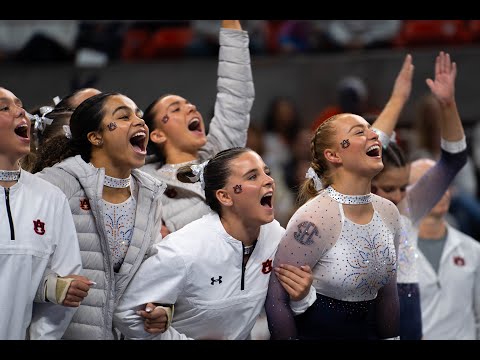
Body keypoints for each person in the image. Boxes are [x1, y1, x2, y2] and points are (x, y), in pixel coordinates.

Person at [113, 147, 317, 340]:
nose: (269, 181)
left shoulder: (275, 236)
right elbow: (125, 313)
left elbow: (286, 306)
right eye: (253, 176)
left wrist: (302, 296)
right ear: (225, 196)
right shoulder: (184, 250)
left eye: (267, 172)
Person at [32, 92, 169, 339]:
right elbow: (14, 256)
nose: (140, 121)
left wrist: (161, 307)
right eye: (124, 117)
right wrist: (48, 287)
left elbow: (150, 271)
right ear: (96, 137)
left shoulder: (150, 194)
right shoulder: (55, 184)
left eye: (138, 114)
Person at [265, 111, 403, 340]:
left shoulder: (389, 212)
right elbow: (275, 299)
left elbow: (389, 294)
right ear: (333, 155)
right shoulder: (313, 218)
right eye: (360, 132)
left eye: (372, 130)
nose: (374, 136)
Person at [371, 51, 468, 340]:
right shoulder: (333, 208)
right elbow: (363, 154)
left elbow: (453, 160)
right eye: (389, 188)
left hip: (407, 317)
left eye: (403, 187)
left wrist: (448, 105)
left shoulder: (406, 211)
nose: (399, 196)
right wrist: (398, 100)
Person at [141, 20, 254, 236]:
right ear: (156, 134)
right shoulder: (143, 183)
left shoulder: (219, 153)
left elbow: (235, 93)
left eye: (189, 104)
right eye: (175, 109)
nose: (191, 108)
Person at [0, 87, 91, 339]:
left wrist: (52, 288)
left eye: (20, 105)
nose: (21, 112)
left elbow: (63, 282)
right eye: (4, 108)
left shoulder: (50, 197)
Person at [409, 158, 480, 340]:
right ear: (407, 191)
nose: (441, 190)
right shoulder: (392, 251)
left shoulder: (473, 250)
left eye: (445, 183)